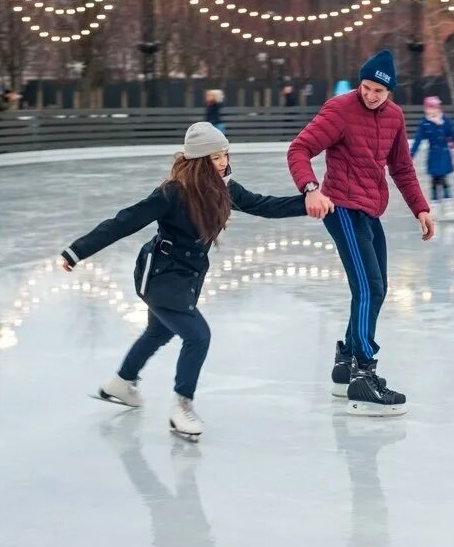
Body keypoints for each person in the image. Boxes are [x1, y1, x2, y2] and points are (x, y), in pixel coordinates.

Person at [61, 122, 313, 439]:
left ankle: (121, 383)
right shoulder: (173, 192)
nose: (223, 162)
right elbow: (123, 222)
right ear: (198, 160)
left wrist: (308, 203)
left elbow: (263, 205)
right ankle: (182, 406)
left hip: (184, 278)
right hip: (160, 277)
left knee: (158, 331)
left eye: (224, 154)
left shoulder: (224, 188)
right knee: (198, 336)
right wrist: (76, 251)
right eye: (214, 157)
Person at [287, 49, 434, 416]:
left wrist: (421, 208)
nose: (370, 95)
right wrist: (311, 189)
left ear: (390, 92)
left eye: (378, 92)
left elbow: (402, 168)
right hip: (341, 208)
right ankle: (363, 375)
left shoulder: (395, 117)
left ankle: (346, 360)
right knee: (368, 288)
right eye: (366, 88)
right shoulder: (340, 109)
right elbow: (300, 148)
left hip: (371, 210)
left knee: (378, 287)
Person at [410, 96, 454, 220]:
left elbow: (453, 135)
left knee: (443, 180)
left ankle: (448, 206)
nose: (431, 111)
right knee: (435, 181)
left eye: (434, 108)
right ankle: (435, 207)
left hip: (445, 154)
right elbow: (418, 140)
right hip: (434, 155)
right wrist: (411, 155)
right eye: (429, 109)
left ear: (438, 108)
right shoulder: (425, 123)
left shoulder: (445, 121)